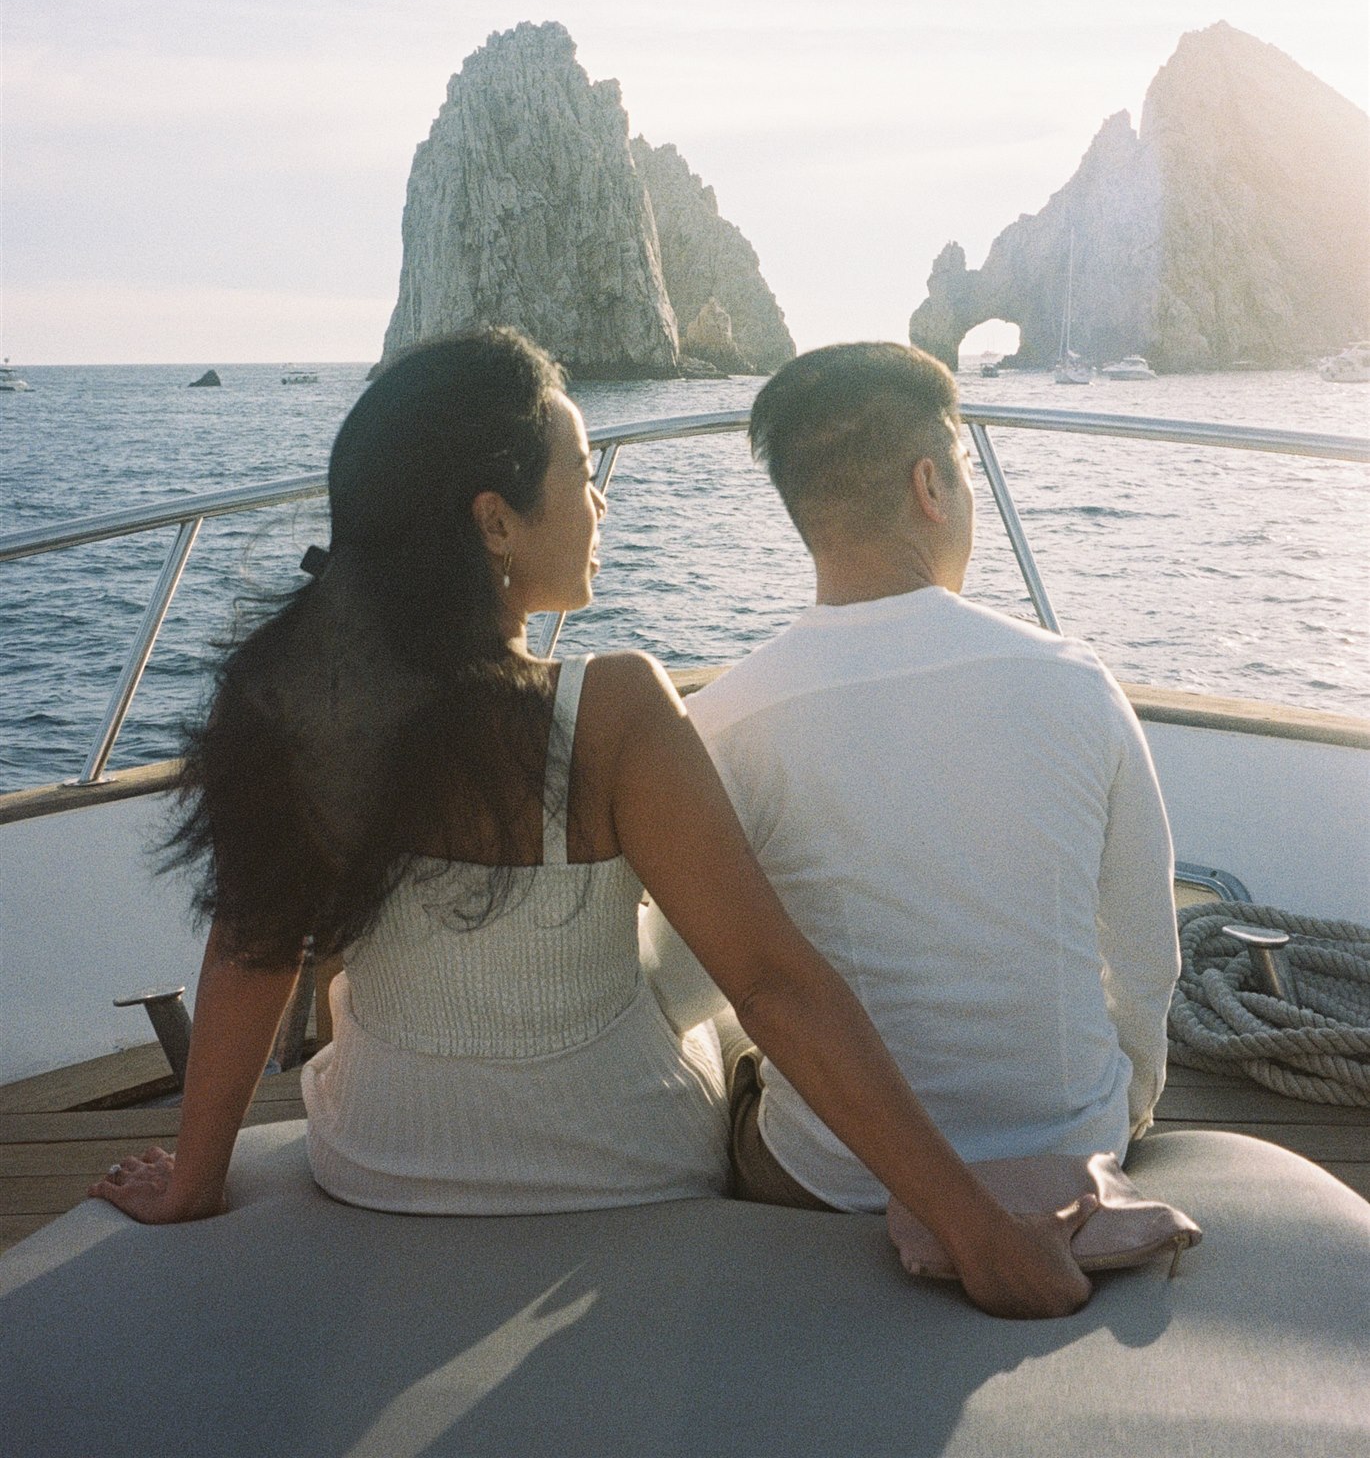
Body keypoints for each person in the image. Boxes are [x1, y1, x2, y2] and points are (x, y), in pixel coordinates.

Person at [91, 330, 1096, 1318]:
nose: (599, 497)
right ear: (495, 521)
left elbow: (250, 945)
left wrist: (194, 1179)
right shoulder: (610, 706)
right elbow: (773, 979)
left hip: (378, 1158)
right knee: (735, 1019)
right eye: (580, 471)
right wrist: (973, 1227)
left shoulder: (291, 696)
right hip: (624, 1160)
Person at [644, 340, 1180, 1214]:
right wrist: (1128, 1108)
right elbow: (1146, 954)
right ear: (931, 486)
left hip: (837, 1181)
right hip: (1076, 1156)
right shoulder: (1076, 684)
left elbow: (683, 986)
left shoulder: (725, 721)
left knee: (729, 1050)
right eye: (964, 471)